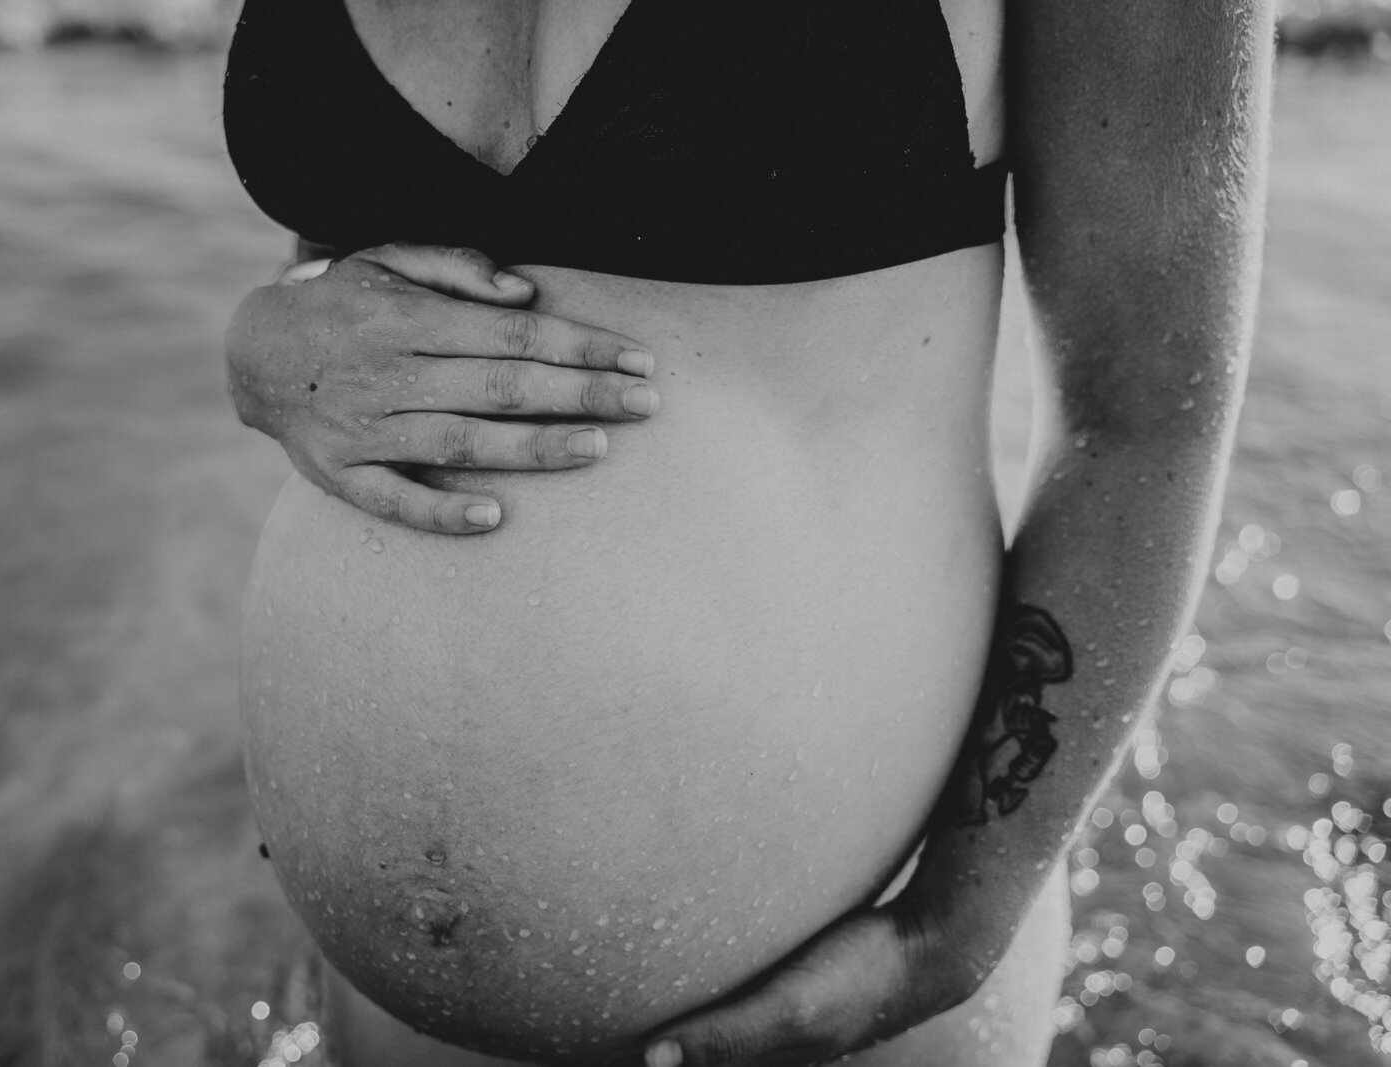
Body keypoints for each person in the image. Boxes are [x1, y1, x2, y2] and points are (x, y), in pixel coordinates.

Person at [222, 1, 1277, 1064]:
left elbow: (1146, 416)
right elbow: (358, 260)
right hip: (392, 1016)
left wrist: (954, 925)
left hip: (848, 979)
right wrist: (271, 334)